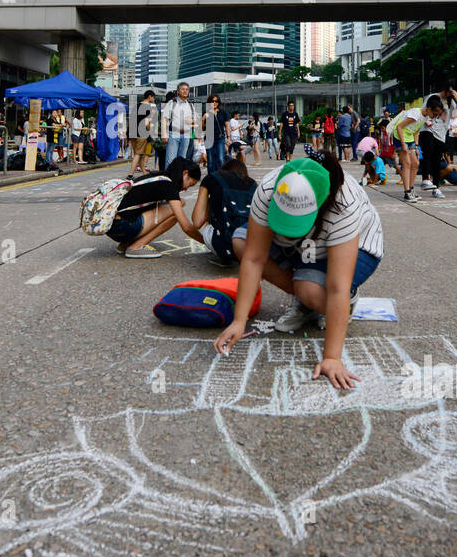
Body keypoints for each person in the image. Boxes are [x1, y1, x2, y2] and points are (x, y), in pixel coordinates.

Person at [215, 153, 385, 391]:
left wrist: (332, 358)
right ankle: (306, 299)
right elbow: (254, 259)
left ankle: (329, 298)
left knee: (311, 289)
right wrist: (239, 321)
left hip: (357, 246)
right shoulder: (271, 188)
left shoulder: (344, 205)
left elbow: (337, 286)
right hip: (305, 244)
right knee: (243, 243)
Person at [106, 157, 203, 258]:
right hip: (122, 226)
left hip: (113, 225)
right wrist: (207, 242)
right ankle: (136, 246)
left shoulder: (158, 178)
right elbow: (186, 227)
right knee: (175, 214)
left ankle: (125, 244)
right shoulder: (168, 186)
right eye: (190, 184)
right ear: (185, 173)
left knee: (180, 203)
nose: (186, 189)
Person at [192, 140, 257, 265]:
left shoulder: (212, 178)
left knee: (210, 220)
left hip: (223, 246)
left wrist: (210, 204)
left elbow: (197, 221)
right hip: (251, 248)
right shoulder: (253, 184)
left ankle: (220, 254)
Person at [389, 96, 444, 201]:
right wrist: (403, 144)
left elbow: (416, 131)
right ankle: (407, 192)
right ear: (429, 109)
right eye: (435, 114)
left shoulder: (426, 117)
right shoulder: (415, 114)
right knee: (407, 164)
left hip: (410, 138)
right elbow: (399, 127)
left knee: (416, 163)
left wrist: (417, 147)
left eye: (437, 115)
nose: (435, 117)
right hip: (400, 137)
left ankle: (411, 188)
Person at [419, 84, 457, 191]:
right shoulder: (433, 97)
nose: (449, 95)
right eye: (448, 93)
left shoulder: (451, 102)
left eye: (451, 93)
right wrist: (426, 121)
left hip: (441, 133)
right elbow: (423, 111)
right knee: (428, 152)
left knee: (436, 159)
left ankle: (436, 185)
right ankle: (425, 179)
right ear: (444, 90)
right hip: (428, 129)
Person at [161, 82, 197, 167]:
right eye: (183, 89)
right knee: (171, 160)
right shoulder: (172, 103)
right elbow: (164, 118)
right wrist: (164, 134)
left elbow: (195, 120)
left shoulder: (191, 105)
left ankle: (178, 179)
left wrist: (191, 121)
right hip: (174, 134)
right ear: (178, 91)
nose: (185, 91)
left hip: (186, 135)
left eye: (187, 89)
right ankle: (168, 179)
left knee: (182, 160)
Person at [130, 90, 158, 176]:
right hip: (141, 133)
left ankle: (144, 173)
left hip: (132, 132)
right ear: (149, 97)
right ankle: (130, 174)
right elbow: (147, 123)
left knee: (139, 154)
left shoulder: (137, 105)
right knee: (138, 154)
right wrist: (150, 132)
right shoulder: (148, 107)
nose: (154, 99)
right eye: (153, 97)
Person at [202, 94, 228, 172]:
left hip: (220, 138)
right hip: (209, 138)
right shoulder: (205, 112)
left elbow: (227, 126)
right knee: (210, 160)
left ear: (218, 102)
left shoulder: (222, 112)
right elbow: (202, 128)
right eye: (212, 101)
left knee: (221, 159)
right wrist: (203, 119)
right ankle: (211, 178)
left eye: (216, 101)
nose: (214, 103)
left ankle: (221, 176)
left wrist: (229, 137)